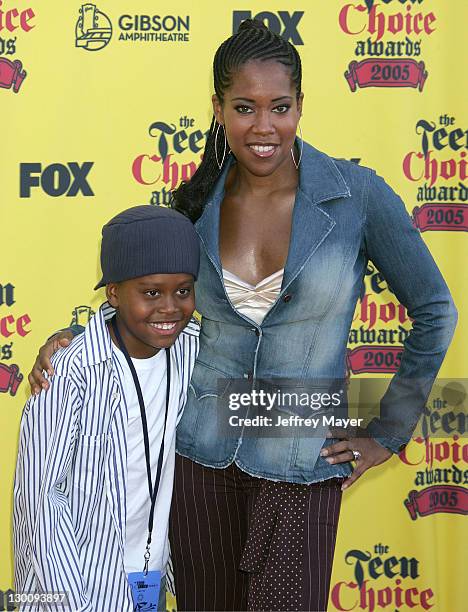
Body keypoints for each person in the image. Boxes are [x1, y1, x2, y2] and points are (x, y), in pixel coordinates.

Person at [28, 20, 457, 612]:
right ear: (218, 109)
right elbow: (157, 306)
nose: (263, 127)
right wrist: (77, 338)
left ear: (301, 106)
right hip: (200, 459)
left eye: (279, 107)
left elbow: (435, 310)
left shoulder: (358, 196)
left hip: (302, 464)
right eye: (244, 107)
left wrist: (387, 432)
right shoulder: (193, 203)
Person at [15, 206, 200, 611]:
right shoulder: (69, 370)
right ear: (113, 293)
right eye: (151, 292)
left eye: (183, 290)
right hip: (79, 583)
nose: (170, 308)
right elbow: (41, 500)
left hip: (153, 575)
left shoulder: (193, 350)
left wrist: (368, 426)